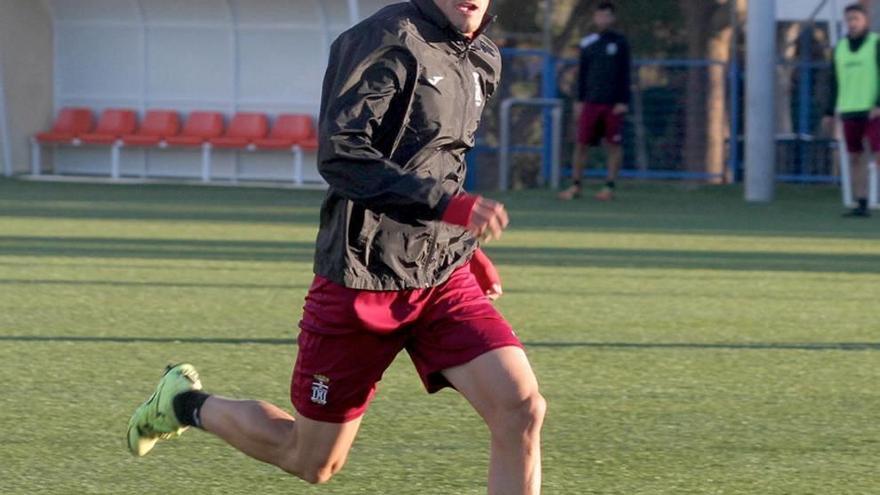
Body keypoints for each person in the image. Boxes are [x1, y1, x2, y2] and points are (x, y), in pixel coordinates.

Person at [125, 1, 546, 494]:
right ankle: (183, 404)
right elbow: (343, 154)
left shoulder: (483, 58)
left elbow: (442, 164)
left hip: (440, 278)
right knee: (312, 460)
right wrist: (445, 207)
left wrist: (464, 243)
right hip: (362, 278)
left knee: (520, 408)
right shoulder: (383, 40)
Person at [559, 1, 631, 202]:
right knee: (581, 144)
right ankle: (575, 185)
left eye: (607, 16)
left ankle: (609, 186)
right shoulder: (588, 43)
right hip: (590, 102)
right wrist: (579, 101)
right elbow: (582, 74)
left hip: (612, 103)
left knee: (613, 145)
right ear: (595, 17)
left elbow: (625, 74)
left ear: (613, 18)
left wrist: (623, 100)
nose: (603, 19)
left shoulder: (620, 42)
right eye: (600, 15)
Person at [823, 3, 880, 218]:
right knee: (855, 158)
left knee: (878, 155)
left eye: (856, 19)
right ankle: (862, 203)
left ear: (866, 21)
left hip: (873, 111)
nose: (852, 24)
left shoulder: (875, 44)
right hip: (850, 109)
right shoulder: (840, 48)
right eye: (849, 20)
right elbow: (834, 81)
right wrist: (829, 111)